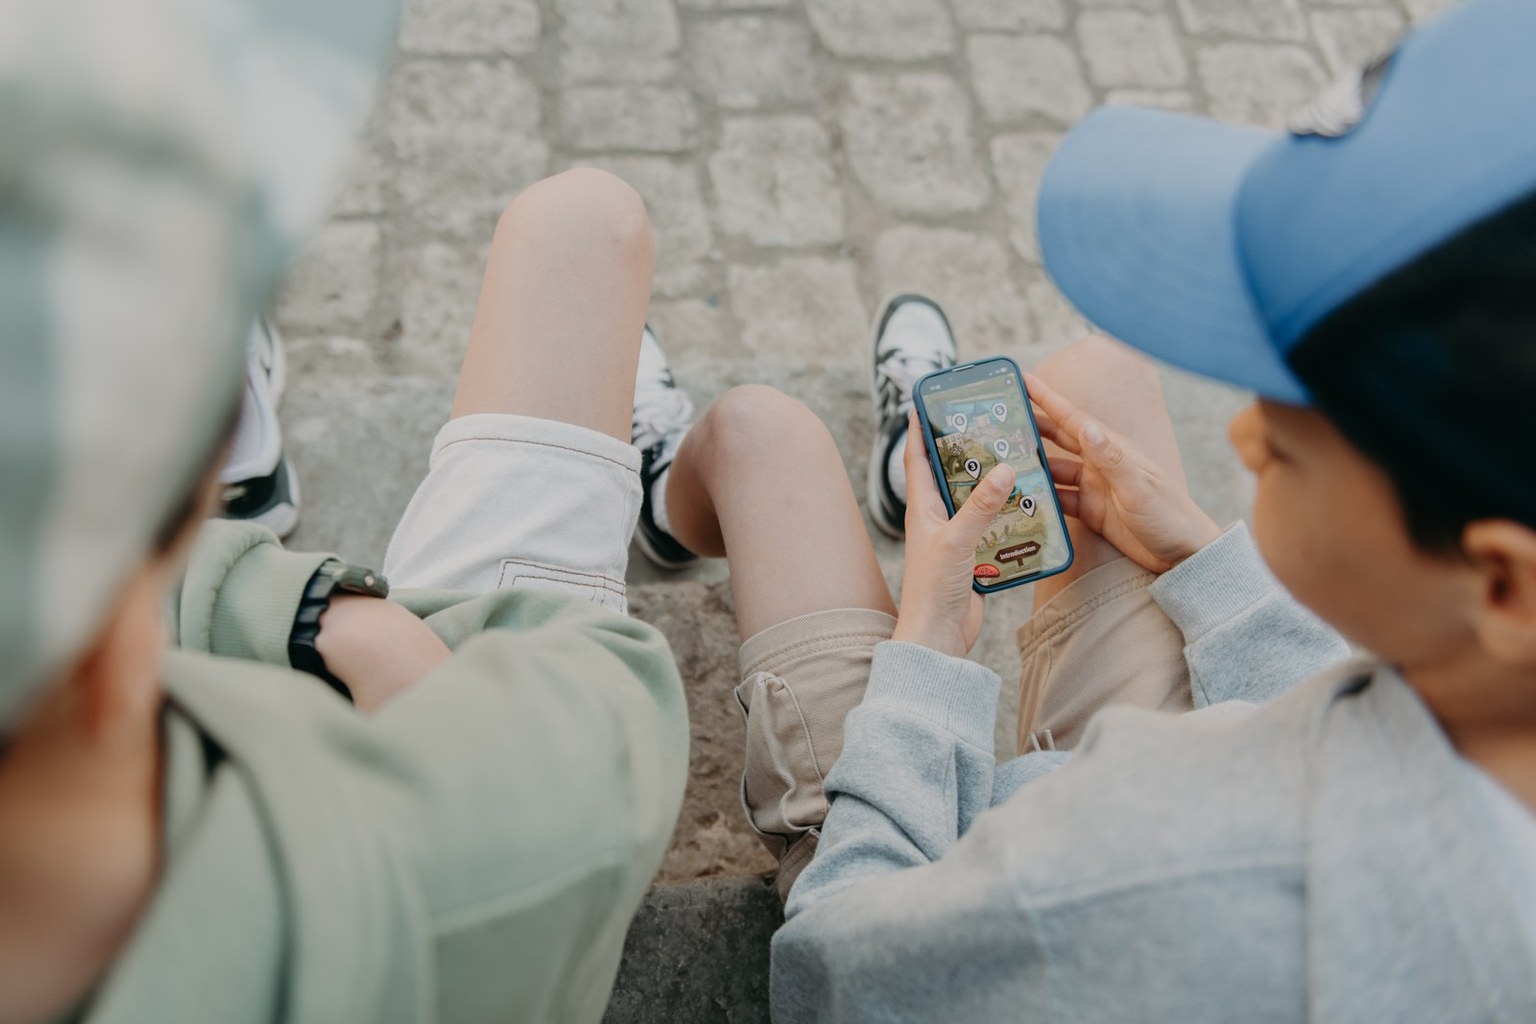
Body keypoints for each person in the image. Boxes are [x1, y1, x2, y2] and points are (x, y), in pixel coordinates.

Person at [637, 0, 1536, 1018]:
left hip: (942, 859)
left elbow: (838, 965)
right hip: (1163, 780)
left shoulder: (1125, 882)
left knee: (762, 433)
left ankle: (667, 502)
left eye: (1283, 446)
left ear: (1502, 578)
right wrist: (1202, 554)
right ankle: (906, 473)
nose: (1240, 439)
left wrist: (930, 646)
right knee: (1097, 381)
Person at [0, 3, 687, 1022]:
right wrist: (347, 625)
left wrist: (313, 609)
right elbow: (616, 699)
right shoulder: (484, 868)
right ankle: (663, 486)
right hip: (480, 756)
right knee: (584, 223)